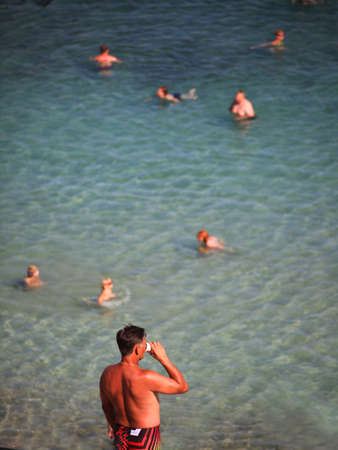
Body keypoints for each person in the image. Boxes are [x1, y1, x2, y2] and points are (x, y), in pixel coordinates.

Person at [100, 324, 189, 449]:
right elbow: (182, 387)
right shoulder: (146, 377)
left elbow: (106, 406)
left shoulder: (107, 374)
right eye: (144, 344)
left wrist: (113, 426)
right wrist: (163, 359)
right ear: (137, 349)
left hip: (121, 435)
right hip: (145, 439)